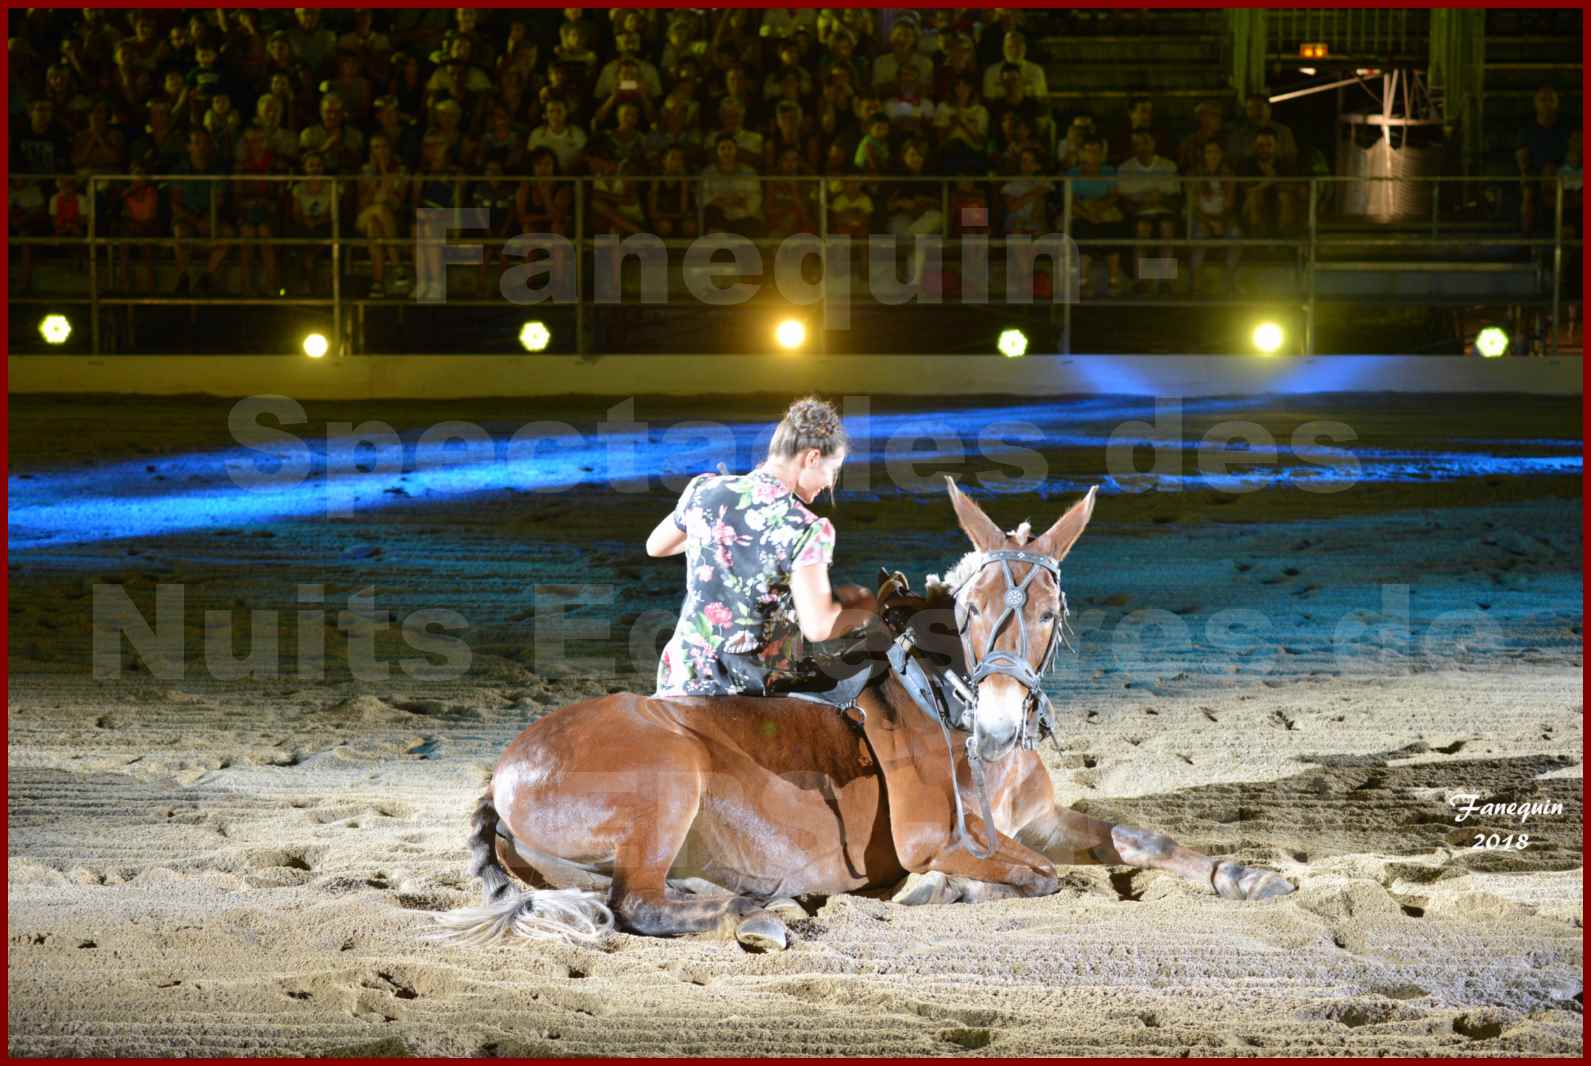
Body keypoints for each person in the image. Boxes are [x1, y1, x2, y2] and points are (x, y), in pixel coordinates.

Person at [649, 396, 876, 698]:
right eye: (832, 470)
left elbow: (656, 547)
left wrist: (718, 536)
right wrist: (865, 616)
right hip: (752, 686)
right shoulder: (807, 527)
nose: (830, 483)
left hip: (684, 674)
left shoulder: (703, 490)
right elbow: (819, 628)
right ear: (811, 458)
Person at [1517, 85, 1574, 235]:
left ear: (1557, 103)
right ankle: (1528, 238)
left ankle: (1565, 231)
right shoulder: (1527, 130)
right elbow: (1523, 160)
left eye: (1551, 100)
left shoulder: (1567, 128)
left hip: (1563, 173)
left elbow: (1574, 154)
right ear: (1536, 104)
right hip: (1536, 174)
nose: (1547, 104)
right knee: (1528, 194)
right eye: (1543, 100)